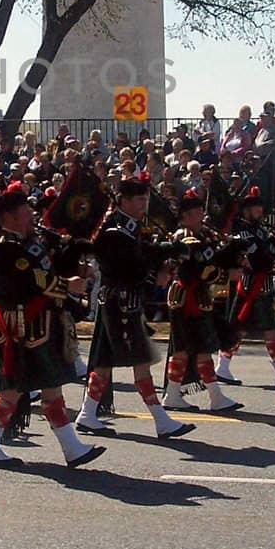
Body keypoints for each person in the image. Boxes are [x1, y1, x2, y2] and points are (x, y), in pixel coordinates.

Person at [0, 182, 103, 469]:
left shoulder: (30, 241)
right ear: (8, 218)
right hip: (21, 329)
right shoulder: (4, 249)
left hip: (38, 327)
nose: (31, 217)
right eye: (24, 213)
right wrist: (68, 286)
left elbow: (48, 268)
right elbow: (33, 282)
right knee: (12, 389)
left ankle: (72, 448)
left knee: (50, 387)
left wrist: (75, 265)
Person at [74, 177, 193, 439]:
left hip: (122, 301)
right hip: (120, 303)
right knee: (141, 360)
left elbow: (142, 255)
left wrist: (162, 257)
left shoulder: (130, 228)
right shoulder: (114, 230)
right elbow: (131, 265)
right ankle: (161, 420)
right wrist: (159, 263)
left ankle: (87, 413)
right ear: (124, 200)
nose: (144, 205)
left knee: (104, 362)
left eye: (145, 200)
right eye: (139, 200)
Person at [160, 190, 242, 414]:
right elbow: (202, 270)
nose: (201, 214)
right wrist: (226, 274)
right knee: (191, 348)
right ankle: (213, 397)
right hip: (186, 299)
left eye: (200, 210)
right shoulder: (184, 239)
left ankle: (174, 394)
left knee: (189, 349)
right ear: (185, 216)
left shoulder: (204, 236)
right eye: (195, 212)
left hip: (198, 298)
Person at [215, 190, 275, 389]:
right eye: (255, 207)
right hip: (251, 287)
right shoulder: (243, 233)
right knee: (257, 329)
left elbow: (270, 250)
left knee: (249, 329)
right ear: (246, 210)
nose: (259, 210)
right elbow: (260, 259)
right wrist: (273, 249)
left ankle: (224, 366)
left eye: (260, 207)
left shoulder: (261, 231)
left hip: (263, 285)